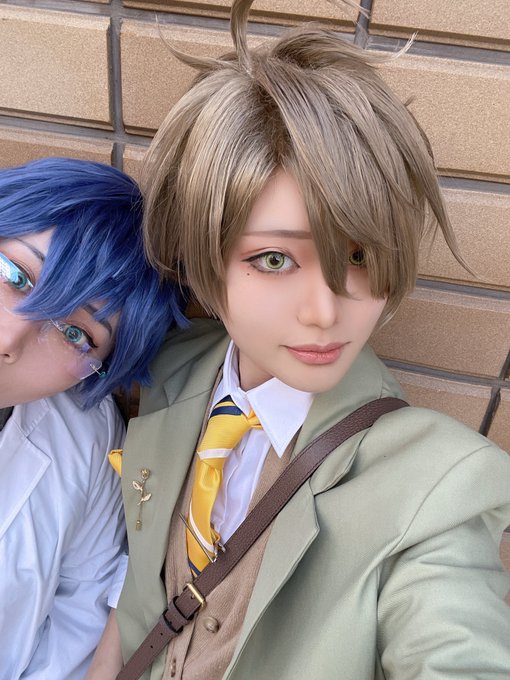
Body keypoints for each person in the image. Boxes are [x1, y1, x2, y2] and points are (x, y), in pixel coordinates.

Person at [90, 1, 510, 678]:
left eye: (359, 255)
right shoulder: (172, 366)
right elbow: (142, 589)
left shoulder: (437, 487)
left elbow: (457, 648)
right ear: (202, 256)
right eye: (274, 258)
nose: (326, 312)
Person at [0, 157, 185, 679]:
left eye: (74, 333)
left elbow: (78, 619)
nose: (10, 337)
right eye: (15, 275)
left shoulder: (85, 437)